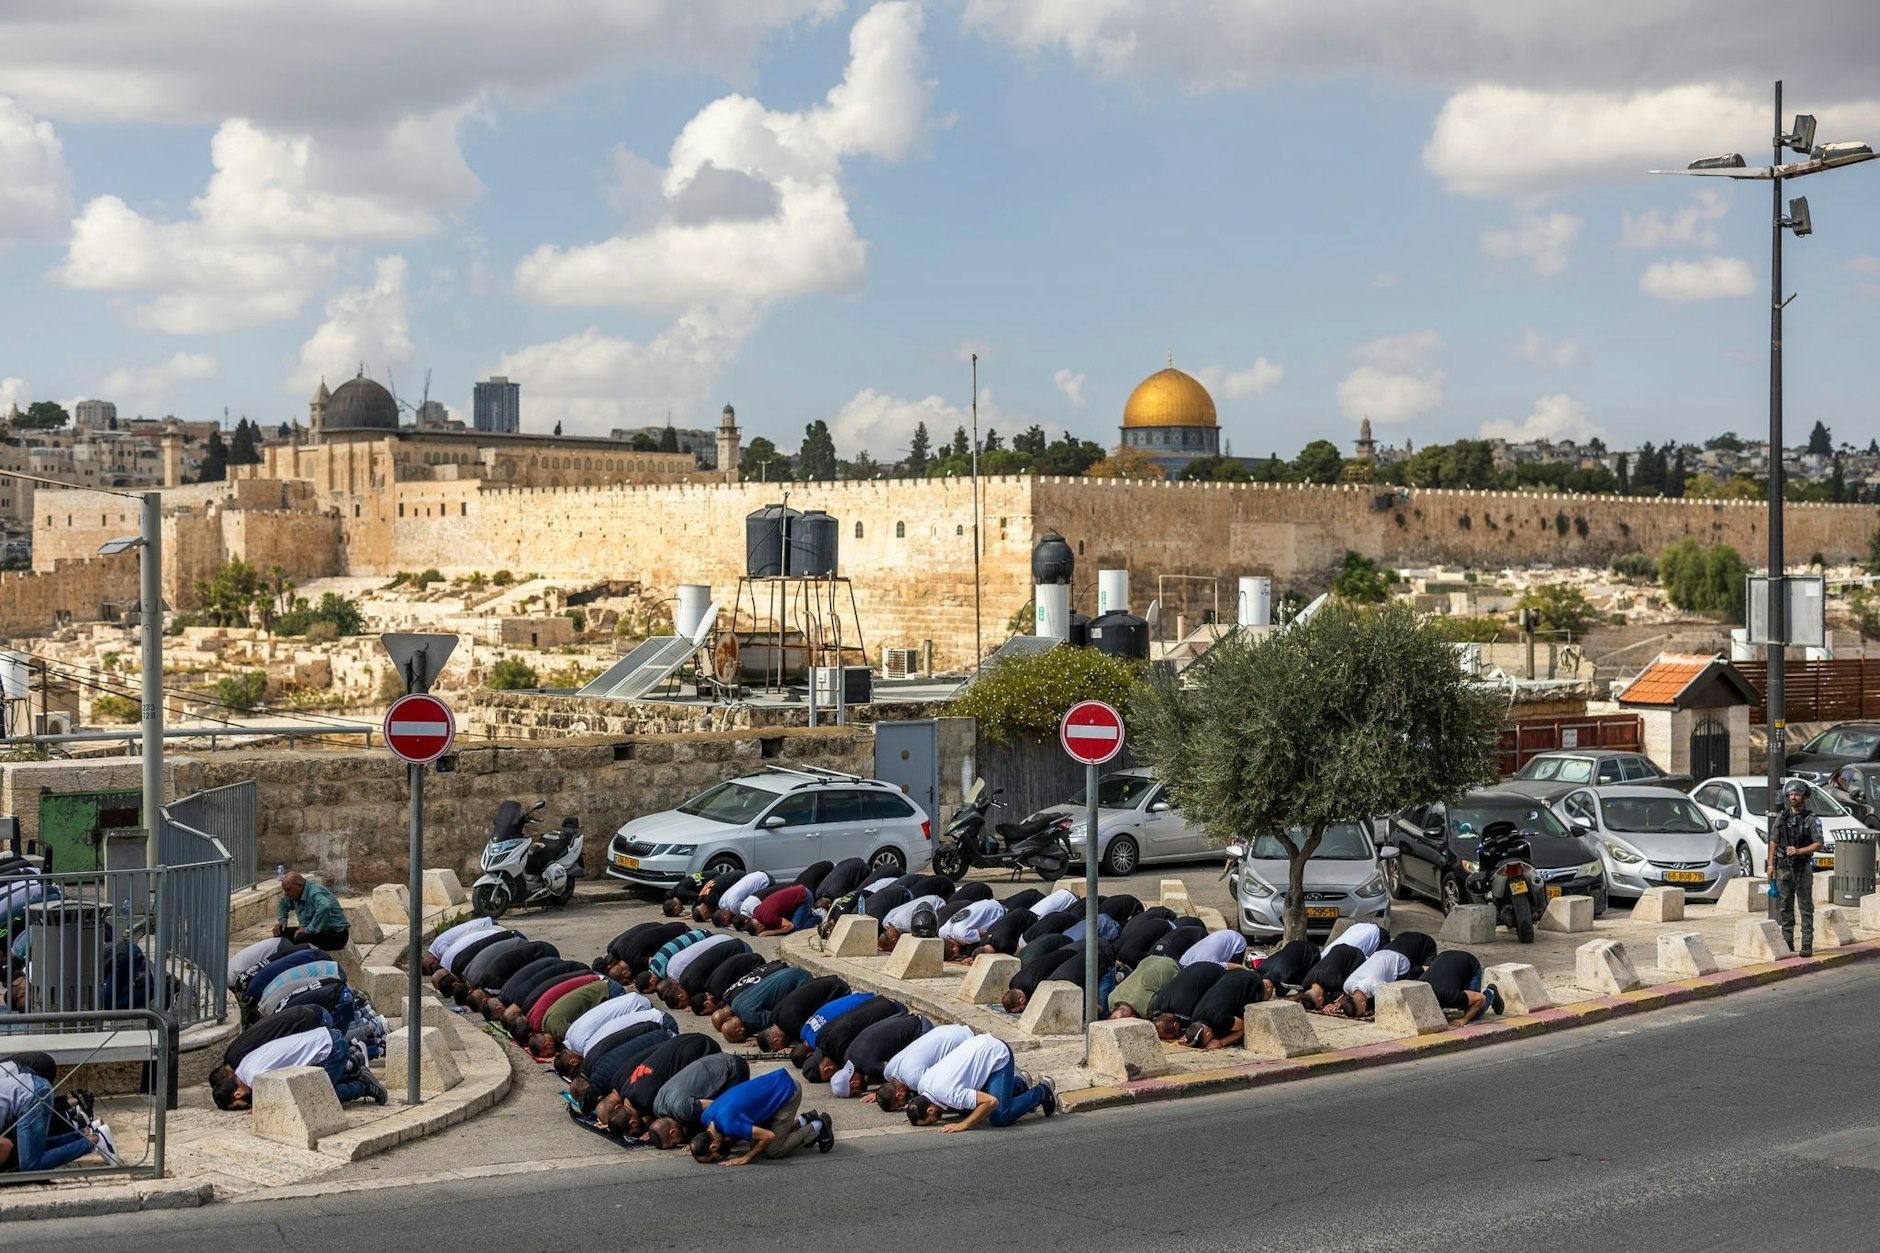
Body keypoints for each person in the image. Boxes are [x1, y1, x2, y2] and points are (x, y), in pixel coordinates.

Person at [904, 1032, 1056, 1131]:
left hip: (997, 1054)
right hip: (980, 1045)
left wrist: (964, 1125)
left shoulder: (950, 1094)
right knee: (966, 1110)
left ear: (930, 1110)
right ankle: (1019, 1084)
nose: (935, 1122)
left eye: (930, 1122)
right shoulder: (923, 1084)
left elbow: (991, 1102)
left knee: (999, 1117)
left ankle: (1042, 1091)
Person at [213, 1024, 387, 1110]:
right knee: (311, 1086)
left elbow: (285, 1097)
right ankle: (356, 1074)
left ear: (238, 1093)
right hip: (325, 1039)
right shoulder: (243, 1066)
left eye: (238, 1105)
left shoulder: (255, 1078)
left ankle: (363, 1086)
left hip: (331, 1048)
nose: (243, 1106)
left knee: (316, 1097)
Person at [690, 1068, 833, 1164]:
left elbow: (768, 1136)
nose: (719, 1158)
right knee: (755, 1143)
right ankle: (804, 1121)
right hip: (775, 1082)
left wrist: (746, 1158)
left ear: (714, 1147)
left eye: (714, 1158)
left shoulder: (729, 1124)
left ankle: (819, 1125)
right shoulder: (707, 1117)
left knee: (773, 1150)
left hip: (788, 1091)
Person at [0, 1058, 105, 1171]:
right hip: (32, 1088)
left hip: (31, 1094)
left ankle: (97, 1140)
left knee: (30, 1165)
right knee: (24, 1150)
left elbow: (6, 1145)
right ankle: (87, 1132)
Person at [644, 1051, 751, 1148]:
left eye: (673, 1144)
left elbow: (718, 1106)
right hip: (716, 1060)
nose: (676, 1144)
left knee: (727, 1122)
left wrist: (701, 1140)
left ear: (672, 1132)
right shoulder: (657, 1106)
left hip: (733, 1068)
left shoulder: (683, 1110)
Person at [1770, 778, 1824, 957]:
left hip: (1802, 868)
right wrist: (1770, 864)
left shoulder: (1810, 819)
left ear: (1804, 797)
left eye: (1797, 794)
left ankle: (1807, 943)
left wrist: (1799, 851)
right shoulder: (1782, 817)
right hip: (1783, 867)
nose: (1793, 797)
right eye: (1791, 794)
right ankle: (1787, 942)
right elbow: (1773, 841)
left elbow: (1818, 844)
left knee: (1805, 906)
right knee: (1785, 905)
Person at [827, 1011, 928, 1097]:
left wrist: (882, 1093)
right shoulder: (848, 1056)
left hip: (922, 1030)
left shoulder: (869, 1067)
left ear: (853, 1083)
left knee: (919, 1085)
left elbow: (900, 1076)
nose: (858, 1093)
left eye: (854, 1093)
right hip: (909, 1018)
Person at [751, 975, 850, 1053]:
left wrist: (795, 1049)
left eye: (777, 1049)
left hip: (838, 989)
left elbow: (811, 1038)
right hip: (828, 980)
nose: (780, 1050)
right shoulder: (774, 1016)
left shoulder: (792, 1026)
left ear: (776, 1041)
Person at [718, 967, 813, 1044]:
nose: (744, 1038)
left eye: (741, 1039)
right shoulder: (735, 1003)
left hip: (802, 982)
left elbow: (782, 1021)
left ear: (739, 1030)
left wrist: (762, 1039)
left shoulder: (751, 1018)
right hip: (792, 972)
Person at [1182, 967, 1268, 1049]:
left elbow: (1243, 1027)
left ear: (1208, 1033)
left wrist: (1221, 1042)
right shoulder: (1195, 1017)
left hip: (1252, 981)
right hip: (1232, 973)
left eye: (1206, 1043)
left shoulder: (1220, 1019)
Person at [1149, 961, 1228, 1040]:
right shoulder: (1157, 1007)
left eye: (1176, 1034)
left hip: (1217, 973)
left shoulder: (1185, 1012)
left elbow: (1203, 1021)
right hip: (1196, 965)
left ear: (1176, 1025)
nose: (1177, 1035)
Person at [272, 872, 350, 951]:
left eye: (288, 889)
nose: (286, 893)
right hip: (316, 932)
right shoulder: (294, 893)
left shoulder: (314, 892)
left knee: (301, 939)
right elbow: (283, 904)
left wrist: (309, 929)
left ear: (300, 885)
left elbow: (325, 906)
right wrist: (283, 920)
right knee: (280, 934)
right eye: (284, 890)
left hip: (335, 934)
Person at [1419, 951, 1500, 1025]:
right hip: (1444, 957)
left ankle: (1491, 992)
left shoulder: (1449, 996)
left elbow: (1480, 998)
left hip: (1469, 962)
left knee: (1474, 1012)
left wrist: (1464, 1019)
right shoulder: (1419, 988)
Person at [1107, 953, 1181, 1020]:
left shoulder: (1146, 1008)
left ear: (1133, 1017)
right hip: (1149, 960)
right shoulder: (1111, 998)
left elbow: (1168, 1004)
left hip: (1171, 966)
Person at [1250, 939, 1321, 999]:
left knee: (1309, 979)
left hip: (1311, 951)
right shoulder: (1259, 970)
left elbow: (1307, 986)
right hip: (1293, 945)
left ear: (1269, 990)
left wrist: (1295, 997)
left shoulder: (1285, 979)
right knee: (1280, 992)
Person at [744, 884, 816, 938]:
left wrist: (770, 932)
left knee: (795, 929)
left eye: (761, 931)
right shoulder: (756, 913)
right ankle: (808, 914)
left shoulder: (768, 918)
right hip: (797, 893)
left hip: (804, 897)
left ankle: (819, 916)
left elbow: (790, 926)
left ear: (760, 926)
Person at [1177, 929, 1247, 968]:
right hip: (1228, 937)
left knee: (1234, 972)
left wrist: (1240, 968)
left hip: (1236, 941)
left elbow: (1223, 966)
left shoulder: (1204, 962)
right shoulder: (1185, 961)